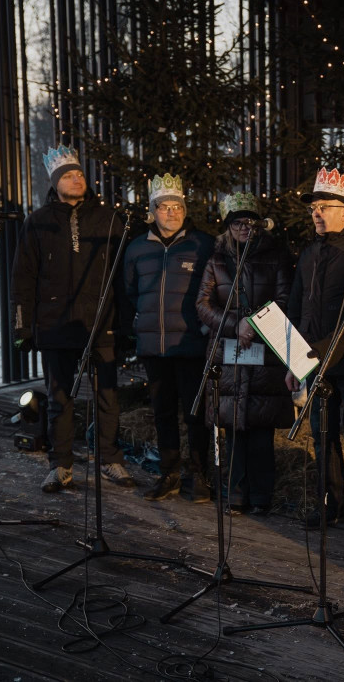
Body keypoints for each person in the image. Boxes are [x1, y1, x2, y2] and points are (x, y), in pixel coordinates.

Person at [11, 144, 136, 492]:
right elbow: (23, 278)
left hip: (102, 324)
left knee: (108, 396)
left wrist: (125, 325)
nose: (77, 178)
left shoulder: (109, 219)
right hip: (55, 326)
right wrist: (23, 326)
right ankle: (61, 464)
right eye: (68, 175)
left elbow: (123, 278)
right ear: (55, 182)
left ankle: (110, 458)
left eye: (79, 173)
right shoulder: (37, 222)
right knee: (59, 398)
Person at [286, 167, 344, 538]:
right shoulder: (309, 254)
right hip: (313, 363)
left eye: (325, 206)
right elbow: (295, 308)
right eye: (313, 209)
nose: (318, 214)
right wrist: (293, 359)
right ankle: (330, 505)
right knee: (323, 438)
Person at [196, 192, 293, 515]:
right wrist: (236, 325)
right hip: (228, 354)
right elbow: (204, 305)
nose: (243, 228)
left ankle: (262, 495)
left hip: (264, 353)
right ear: (228, 227)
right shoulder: (217, 261)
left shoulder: (276, 257)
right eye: (237, 223)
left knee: (261, 429)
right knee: (233, 426)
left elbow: (283, 297)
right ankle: (235, 493)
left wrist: (255, 324)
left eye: (249, 223)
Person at [123, 173, 214, 502]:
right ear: (153, 210)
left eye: (178, 206)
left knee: (195, 413)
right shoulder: (135, 248)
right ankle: (170, 473)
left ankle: (199, 474)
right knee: (163, 412)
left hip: (190, 344)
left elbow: (214, 290)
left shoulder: (202, 245)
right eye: (165, 207)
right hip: (154, 346)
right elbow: (132, 292)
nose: (172, 212)